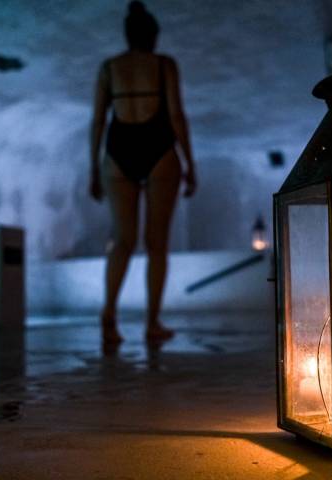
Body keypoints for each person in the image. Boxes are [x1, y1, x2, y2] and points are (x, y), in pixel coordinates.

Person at [89, 1, 196, 345]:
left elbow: (97, 121)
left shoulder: (109, 68)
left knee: (122, 240)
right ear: (153, 36)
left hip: (117, 152)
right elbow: (177, 115)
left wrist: (93, 167)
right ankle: (152, 324)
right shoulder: (164, 65)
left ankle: (109, 311)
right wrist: (191, 162)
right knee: (157, 243)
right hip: (159, 150)